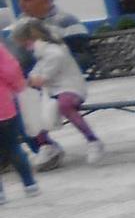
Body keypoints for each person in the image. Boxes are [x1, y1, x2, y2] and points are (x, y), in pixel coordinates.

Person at [14, 20, 104, 166]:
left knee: (65, 104)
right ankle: (46, 145)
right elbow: (35, 73)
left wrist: (25, 81)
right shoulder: (42, 54)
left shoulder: (54, 53)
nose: (25, 48)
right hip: (51, 91)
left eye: (25, 43)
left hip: (71, 88)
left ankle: (93, 140)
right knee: (31, 106)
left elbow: (42, 79)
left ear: (31, 39)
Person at [0, 40, 41, 202]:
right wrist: (19, 87)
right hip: (4, 106)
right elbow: (11, 71)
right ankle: (30, 184)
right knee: (13, 146)